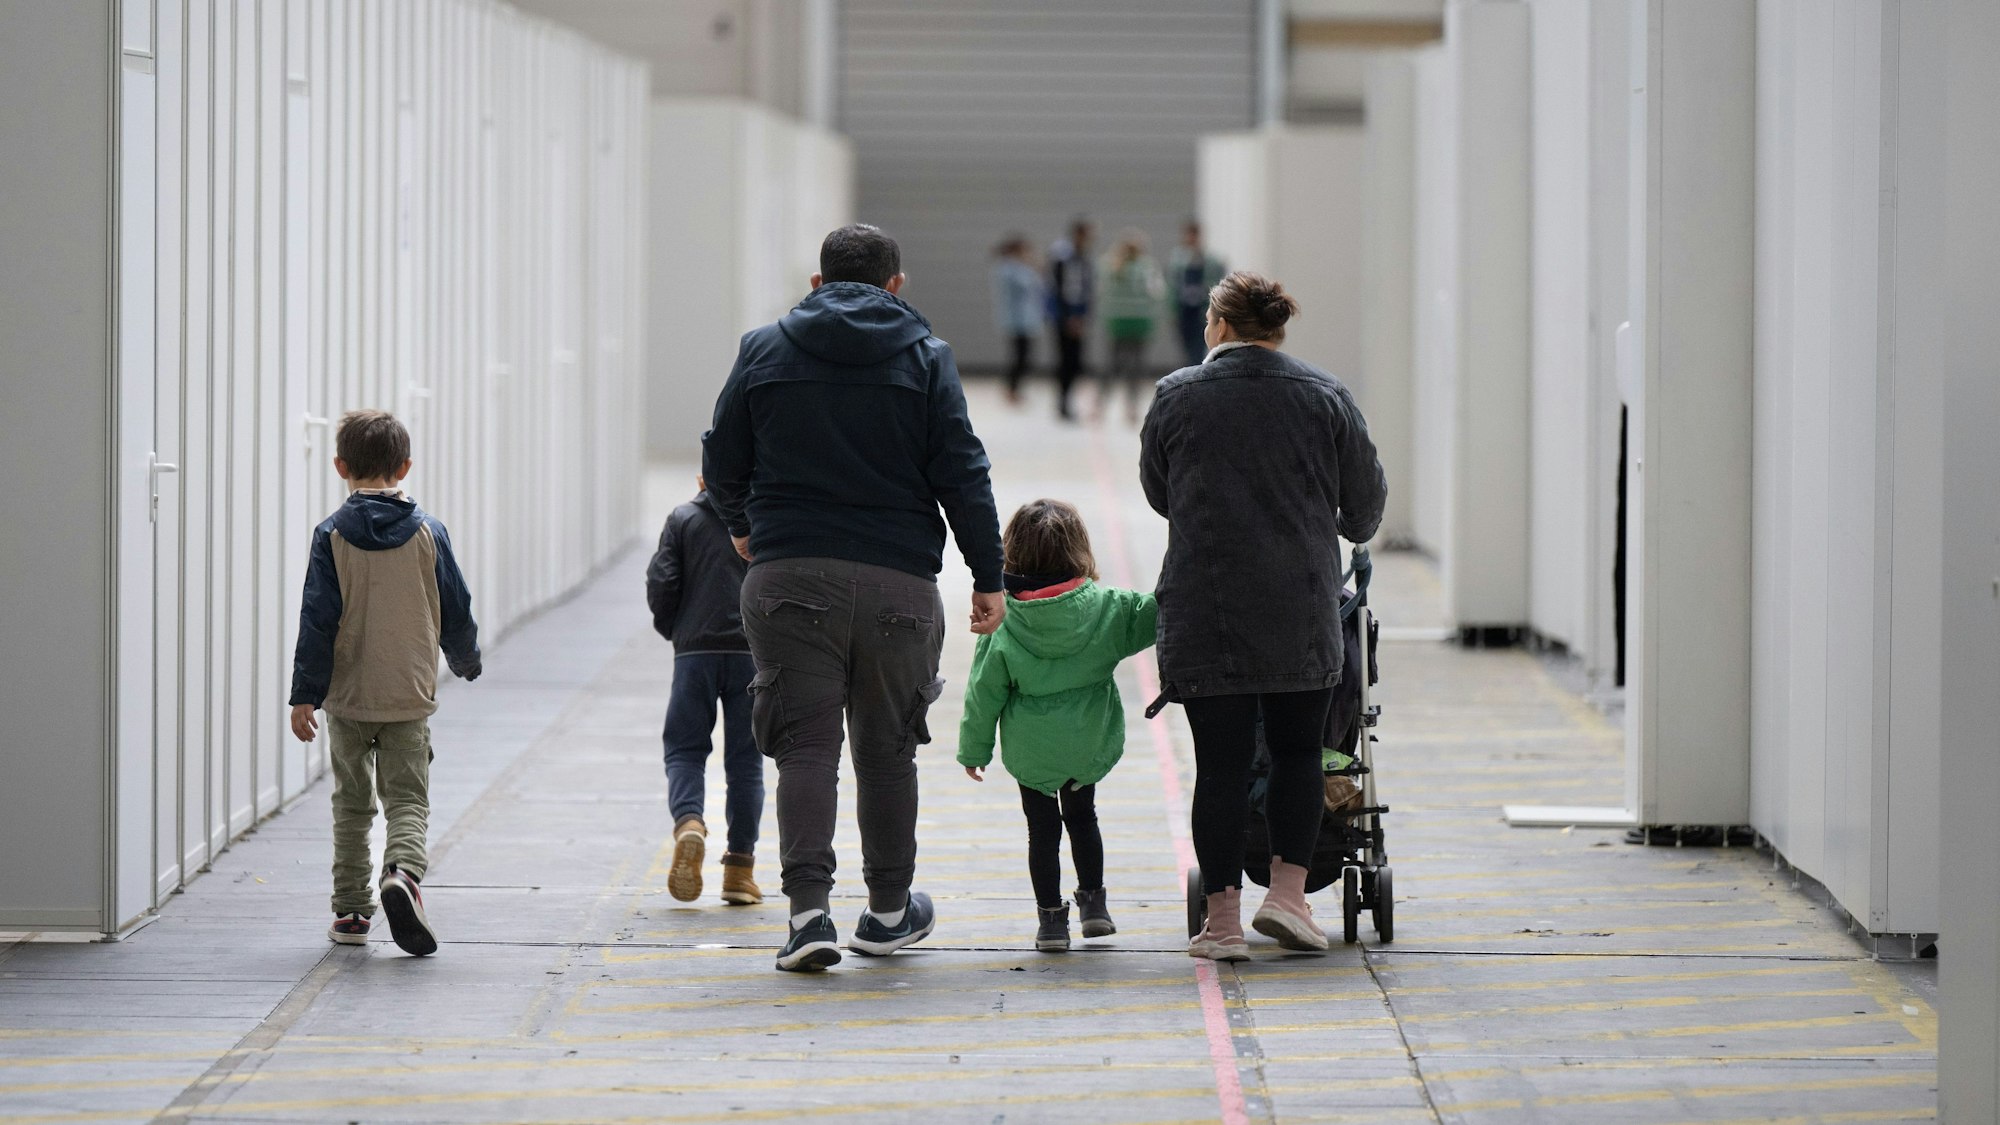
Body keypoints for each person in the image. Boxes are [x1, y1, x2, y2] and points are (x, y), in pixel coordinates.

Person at [703, 223, 1008, 973]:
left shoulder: (763, 347)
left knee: (805, 747)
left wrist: (744, 528)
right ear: (896, 285)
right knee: (887, 751)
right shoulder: (926, 358)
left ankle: (808, 918)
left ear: (816, 283)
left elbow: (720, 454)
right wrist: (990, 576)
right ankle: (889, 912)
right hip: (898, 584)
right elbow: (963, 473)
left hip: (786, 577)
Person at [1139, 272, 1386, 961]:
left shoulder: (1176, 395)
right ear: (1277, 328)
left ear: (1217, 324)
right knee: (1298, 752)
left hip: (1205, 606)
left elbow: (1161, 493)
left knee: (1219, 765)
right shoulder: (1325, 396)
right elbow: (1365, 509)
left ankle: (1220, 924)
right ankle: (1288, 897)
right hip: (1299, 606)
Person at [287, 409, 482, 957]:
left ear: (339, 466)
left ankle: (350, 913)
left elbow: (317, 619)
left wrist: (305, 693)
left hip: (348, 698)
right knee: (407, 800)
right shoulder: (429, 532)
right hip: (408, 691)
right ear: (405, 466)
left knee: (351, 803)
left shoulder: (330, 535)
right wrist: (465, 659)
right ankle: (402, 874)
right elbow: (455, 604)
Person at [957, 500, 1157, 952]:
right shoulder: (1108, 607)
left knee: (1041, 831)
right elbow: (1156, 613)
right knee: (1084, 818)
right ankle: (1095, 907)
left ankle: (1050, 921)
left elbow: (982, 692)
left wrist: (974, 751)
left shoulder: (1004, 619)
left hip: (1032, 747)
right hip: (1087, 740)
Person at [647, 475, 764, 906]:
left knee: (684, 749)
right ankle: (739, 870)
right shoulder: (763, 521)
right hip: (751, 655)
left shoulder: (682, 520)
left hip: (694, 653)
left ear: (702, 477)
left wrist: (677, 631)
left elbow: (661, 583)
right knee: (746, 763)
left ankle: (690, 823)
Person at [1095, 230, 1166, 424]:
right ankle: (1131, 408)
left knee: (1111, 364)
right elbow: (1158, 292)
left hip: (1116, 321)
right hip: (1140, 322)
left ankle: (1099, 405)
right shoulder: (1148, 267)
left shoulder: (1109, 265)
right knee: (1136, 367)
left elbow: (1101, 291)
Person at [1047, 217, 1096, 421]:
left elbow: (1086, 290)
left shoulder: (1084, 258)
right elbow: (1058, 289)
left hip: (1078, 317)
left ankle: (1068, 400)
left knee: (1075, 361)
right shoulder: (1062, 257)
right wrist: (1068, 317)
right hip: (1063, 317)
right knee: (1065, 361)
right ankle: (1062, 402)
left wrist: (1083, 317)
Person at [990, 234, 1044, 405]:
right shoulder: (1008, 268)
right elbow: (1027, 284)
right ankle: (1011, 389)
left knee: (1023, 356)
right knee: (1019, 357)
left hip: (1025, 319)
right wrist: (1032, 266)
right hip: (1017, 320)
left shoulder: (1017, 267)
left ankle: (1014, 388)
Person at [1167, 219, 1227, 369]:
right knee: (1185, 345)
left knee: (1198, 346)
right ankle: (1189, 370)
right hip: (1184, 310)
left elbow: (1218, 276)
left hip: (1200, 310)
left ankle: (1195, 371)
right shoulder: (1178, 259)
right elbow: (1172, 285)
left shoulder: (1209, 260)